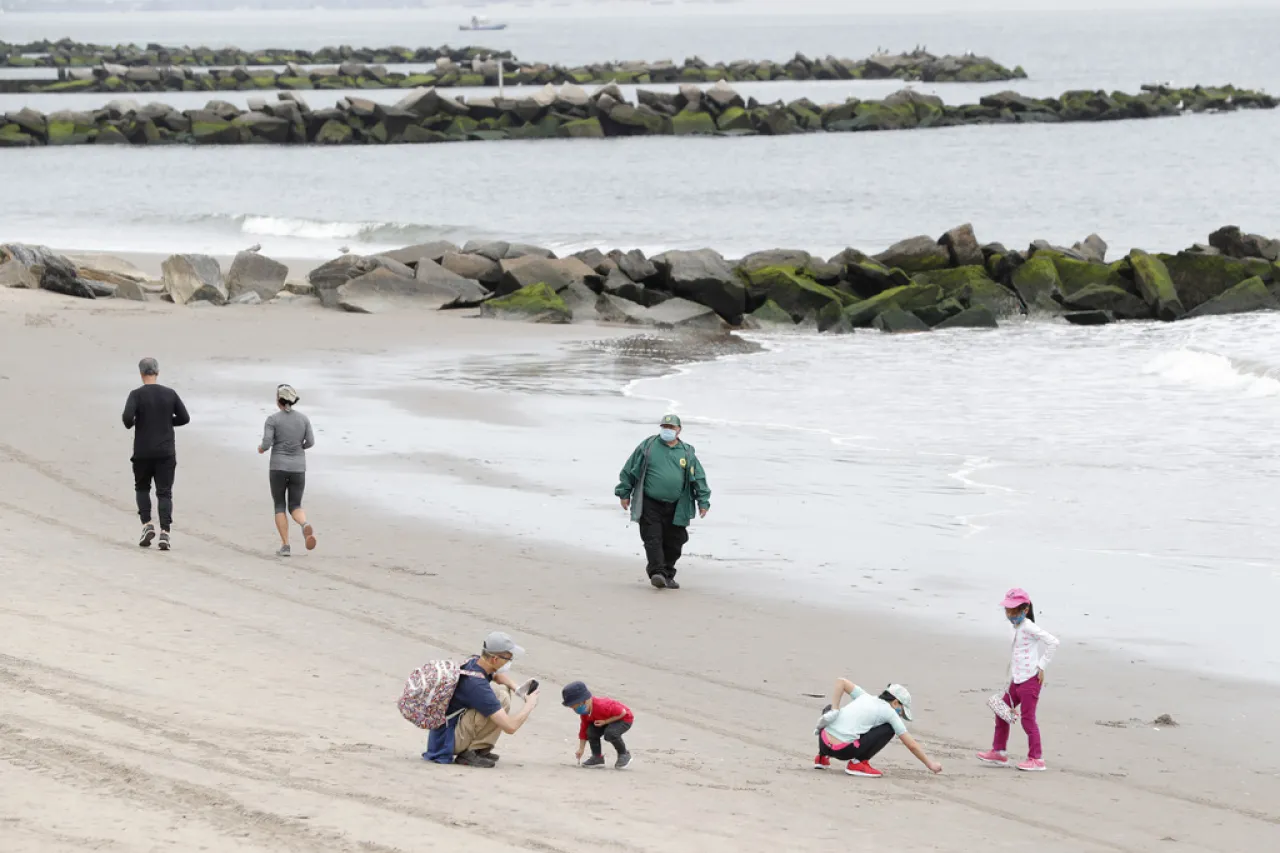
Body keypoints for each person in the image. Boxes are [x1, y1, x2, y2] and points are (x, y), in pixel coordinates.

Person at [614, 414, 711, 590]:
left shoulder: (687, 452)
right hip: (650, 502)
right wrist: (624, 492)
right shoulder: (649, 446)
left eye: (671, 427)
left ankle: (667, 574)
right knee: (653, 538)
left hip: (677, 506)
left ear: (679, 430)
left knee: (675, 542)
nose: (667, 430)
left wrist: (703, 502)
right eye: (665, 427)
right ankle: (657, 573)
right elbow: (630, 469)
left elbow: (699, 478)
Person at [423, 632, 540, 768]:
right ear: (495, 659)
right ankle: (470, 752)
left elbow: (497, 676)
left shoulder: (476, 662)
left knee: (502, 691)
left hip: (444, 734)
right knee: (499, 698)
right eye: (508, 659)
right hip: (447, 742)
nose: (509, 662)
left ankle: (479, 748)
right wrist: (530, 704)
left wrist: (518, 689)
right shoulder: (477, 686)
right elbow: (510, 727)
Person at [977, 587, 1059, 772]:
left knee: (1028, 720)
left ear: (1025, 609)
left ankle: (1037, 759)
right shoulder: (1015, 626)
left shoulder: (1029, 626)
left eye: (1013, 611)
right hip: (1016, 680)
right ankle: (999, 752)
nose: (1009, 614)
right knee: (1002, 712)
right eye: (1007, 610)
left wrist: (1042, 666)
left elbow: (1053, 642)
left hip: (1030, 681)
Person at [121, 357, 190, 551]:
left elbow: (127, 418)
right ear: (157, 372)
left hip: (143, 450)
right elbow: (185, 418)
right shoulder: (170, 394)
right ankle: (165, 533)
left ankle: (147, 524)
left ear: (141, 374)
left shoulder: (136, 395)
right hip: (166, 451)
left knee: (142, 488)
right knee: (164, 492)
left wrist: (136, 422)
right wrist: (167, 422)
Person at [813, 678, 942, 778]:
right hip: (843, 751)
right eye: (901, 711)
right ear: (896, 702)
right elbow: (911, 744)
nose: (900, 715)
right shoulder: (890, 712)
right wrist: (930, 764)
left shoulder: (864, 696)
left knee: (830, 709)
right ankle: (858, 763)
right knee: (889, 728)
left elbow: (841, 681)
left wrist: (835, 709)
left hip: (824, 743)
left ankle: (821, 757)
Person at [257, 384, 316, 557]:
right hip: (298, 467)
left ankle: (285, 545)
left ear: (278, 400)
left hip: (278, 467)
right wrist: (299, 448)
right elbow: (311, 442)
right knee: (296, 504)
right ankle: (304, 524)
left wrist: (261, 448)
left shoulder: (273, 420)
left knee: (280, 505)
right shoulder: (304, 419)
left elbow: (267, 443)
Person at [561, 681, 634, 769]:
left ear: (585, 701)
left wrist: (606, 722)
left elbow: (622, 712)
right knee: (590, 731)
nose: (575, 710)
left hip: (623, 719)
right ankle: (597, 757)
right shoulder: (585, 713)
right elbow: (583, 729)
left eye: (576, 707)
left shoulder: (602, 705)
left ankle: (624, 754)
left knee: (610, 734)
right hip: (603, 720)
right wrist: (581, 749)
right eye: (572, 708)